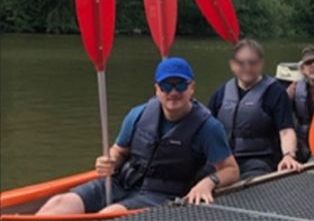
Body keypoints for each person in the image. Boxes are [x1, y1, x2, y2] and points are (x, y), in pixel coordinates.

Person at [37, 58, 238, 215]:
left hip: (161, 194)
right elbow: (119, 150)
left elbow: (231, 169)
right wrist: (110, 160)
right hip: (121, 182)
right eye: (166, 86)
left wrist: (208, 182)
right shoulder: (138, 114)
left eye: (180, 85)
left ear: (192, 87)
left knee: (110, 214)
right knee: (58, 204)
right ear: (157, 89)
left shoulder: (208, 127)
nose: (173, 92)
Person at [207, 39, 302, 179]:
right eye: (241, 63)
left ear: (261, 63)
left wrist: (288, 155)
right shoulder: (220, 93)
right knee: (198, 177)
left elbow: (286, 130)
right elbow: (206, 129)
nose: (247, 67)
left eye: (252, 63)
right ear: (232, 64)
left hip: (259, 160)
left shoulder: (276, 93)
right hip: (225, 159)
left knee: (251, 186)